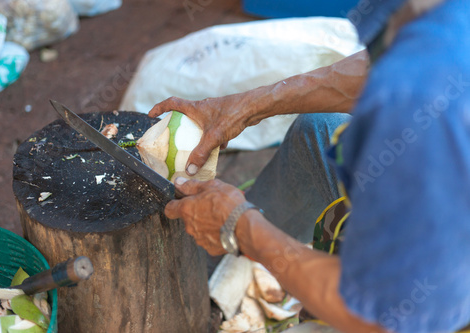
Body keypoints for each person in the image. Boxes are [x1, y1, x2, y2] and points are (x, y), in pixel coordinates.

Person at [149, 0, 470, 331]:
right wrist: (245, 106)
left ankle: (248, 262)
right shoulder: (439, 23)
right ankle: (219, 273)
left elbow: (381, 318)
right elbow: (375, 70)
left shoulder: (424, 96)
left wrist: (239, 225)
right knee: (320, 129)